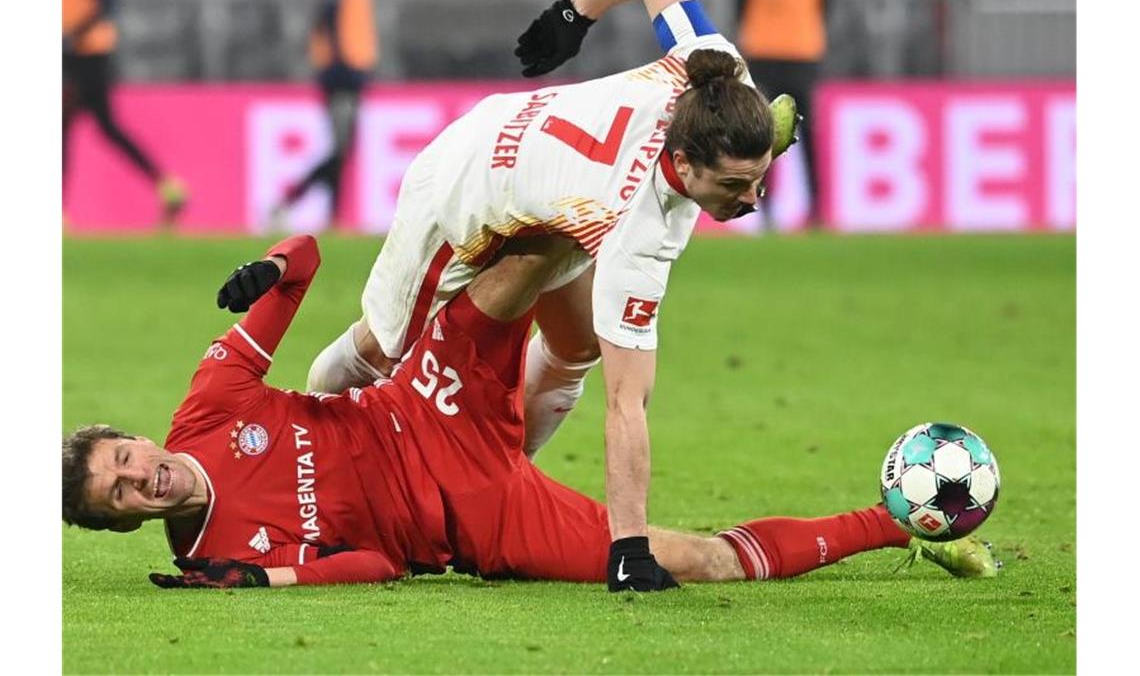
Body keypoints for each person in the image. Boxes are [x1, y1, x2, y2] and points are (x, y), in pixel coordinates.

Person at [61, 235, 999, 590]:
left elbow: (303, 257)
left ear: (135, 437)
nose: (144, 479)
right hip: (477, 522)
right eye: (123, 498)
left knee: (524, 256)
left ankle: (666, 175)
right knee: (695, 563)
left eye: (125, 460)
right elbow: (382, 562)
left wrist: (264, 270)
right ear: (122, 524)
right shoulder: (213, 565)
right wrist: (275, 586)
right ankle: (899, 521)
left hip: (418, 410)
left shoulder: (208, 410)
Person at [302, 0, 802, 590]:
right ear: (682, 166)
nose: (752, 201)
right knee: (383, 347)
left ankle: (501, 480)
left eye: (759, 180)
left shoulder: (717, 74)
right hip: (466, 186)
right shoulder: (637, 226)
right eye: (736, 186)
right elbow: (628, 403)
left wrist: (574, 16)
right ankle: (306, 442)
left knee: (575, 344)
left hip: (558, 193)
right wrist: (629, 546)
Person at [62, 0, 187, 227]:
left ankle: (57, 212)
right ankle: (167, 185)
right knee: (105, 127)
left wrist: (76, 33)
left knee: (63, 129)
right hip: (79, 55)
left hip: (86, 56)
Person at [269, 0, 378, 229]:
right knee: (341, 148)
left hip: (353, 70)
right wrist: (338, 61)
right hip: (340, 73)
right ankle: (293, 202)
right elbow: (326, 21)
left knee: (342, 150)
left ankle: (331, 216)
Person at [735, 0, 829, 227]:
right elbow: (741, 8)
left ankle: (816, 207)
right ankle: (766, 205)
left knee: (808, 135)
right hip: (764, 57)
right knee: (766, 137)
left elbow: (824, 6)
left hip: (802, 57)